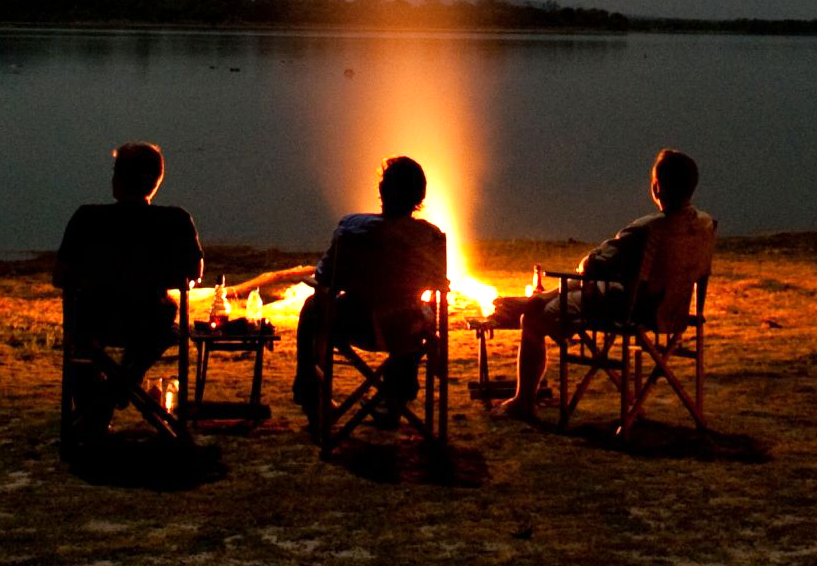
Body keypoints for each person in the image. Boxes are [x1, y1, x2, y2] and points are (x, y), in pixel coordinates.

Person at [496, 147, 712, 422]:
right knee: (582, 289)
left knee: (533, 319)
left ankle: (522, 402)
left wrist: (588, 264)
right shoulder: (704, 225)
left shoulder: (648, 229)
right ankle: (535, 299)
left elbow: (593, 266)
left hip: (628, 311)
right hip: (671, 308)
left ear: (657, 188)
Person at [53, 141, 204, 432]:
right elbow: (194, 274)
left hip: (93, 321)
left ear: (118, 179)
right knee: (169, 326)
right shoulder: (176, 220)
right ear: (156, 182)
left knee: (81, 341)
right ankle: (121, 386)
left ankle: (96, 411)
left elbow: (60, 276)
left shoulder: (86, 219)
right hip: (149, 324)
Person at [293, 154, 448, 425]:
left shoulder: (352, 228)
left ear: (382, 191)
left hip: (356, 324)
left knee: (312, 308)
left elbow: (324, 275)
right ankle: (396, 400)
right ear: (419, 196)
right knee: (420, 315)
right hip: (404, 329)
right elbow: (440, 284)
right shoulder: (432, 237)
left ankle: (312, 396)